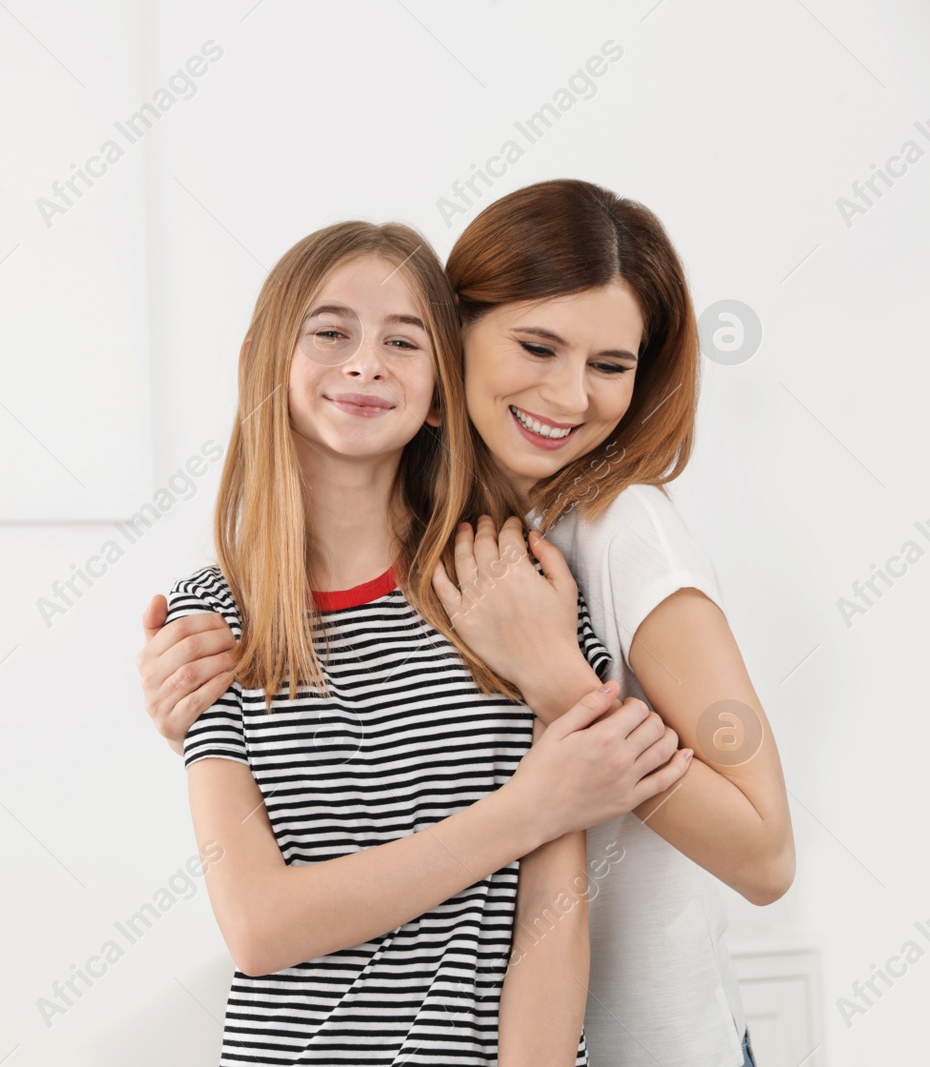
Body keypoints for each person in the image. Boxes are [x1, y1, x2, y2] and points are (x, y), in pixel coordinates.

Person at [140, 181, 792, 1067]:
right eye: (537, 346)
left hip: (666, 1038)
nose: (569, 394)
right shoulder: (225, 613)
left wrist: (555, 680)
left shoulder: (590, 546)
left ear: (434, 376)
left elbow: (761, 855)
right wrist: (534, 802)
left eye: (610, 364)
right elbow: (260, 920)